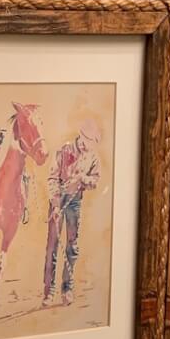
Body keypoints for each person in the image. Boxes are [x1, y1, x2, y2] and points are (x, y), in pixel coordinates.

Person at [42, 119, 101, 307]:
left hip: (75, 202)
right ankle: (48, 290)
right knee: (52, 246)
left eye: (92, 142)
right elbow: (52, 178)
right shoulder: (64, 150)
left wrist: (83, 179)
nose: (89, 145)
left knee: (72, 247)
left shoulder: (93, 156)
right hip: (58, 200)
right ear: (81, 137)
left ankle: (67, 288)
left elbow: (95, 180)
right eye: (88, 141)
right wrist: (55, 205)